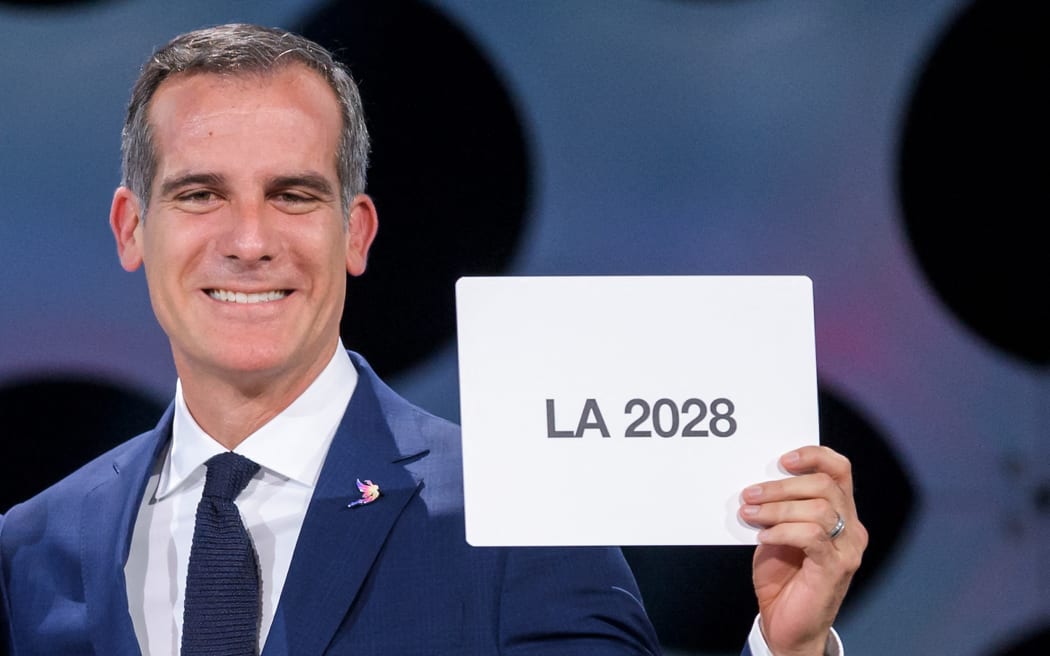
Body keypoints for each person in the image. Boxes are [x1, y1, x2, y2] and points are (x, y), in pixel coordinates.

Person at [0, 23, 866, 656]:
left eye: (295, 195)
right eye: (199, 195)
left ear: (357, 233)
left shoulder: (522, 525)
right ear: (130, 229)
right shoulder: (34, 548)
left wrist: (787, 653)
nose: (250, 239)